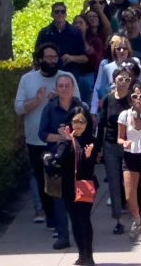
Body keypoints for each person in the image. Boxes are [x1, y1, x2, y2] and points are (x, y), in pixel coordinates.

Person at [14, 43, 80, 233]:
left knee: (63, 179)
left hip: (62, 141)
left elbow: (79, 104)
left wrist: (61, 96)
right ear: (40, 59)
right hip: (36, 139)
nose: (51, 61)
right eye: (48, 57)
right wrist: (36, 100)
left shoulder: (66, 79)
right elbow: (18, 108)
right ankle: (50, 217)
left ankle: (62, 219)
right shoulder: (27, 79)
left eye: (54, 57)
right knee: (41, 180)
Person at [39, 72, 86, 250]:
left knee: (80, 199)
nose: (64, 89)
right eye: (61, 86)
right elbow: (42, 134)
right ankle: (63, 235)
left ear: (73, 88)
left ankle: (81, 235)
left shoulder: (81, 107)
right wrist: (60, 138)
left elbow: (89, 130)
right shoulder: (49, 109)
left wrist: (73, 137)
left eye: (68, 85)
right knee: (58, 199)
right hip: (57, 160)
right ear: (56, 89)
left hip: (77, 160)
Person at [54, 106, 97, 266]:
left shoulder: (91, 140)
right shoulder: (66, 140)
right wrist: (67, 141)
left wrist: (86, 157)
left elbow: (89, 168)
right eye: (75, 121)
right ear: (70, 123)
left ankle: (89, 256)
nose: (78, 125)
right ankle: (81, 255)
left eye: (82, 121)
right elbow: (59, 160)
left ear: (87, 124)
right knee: (74, 221)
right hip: (68, 187)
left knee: (84, 219)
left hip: (85, 185)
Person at [118, 82, 141, 244]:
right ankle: (137, 219)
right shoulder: (125, 115)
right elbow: (120, 137)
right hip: (130, 156)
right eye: (135, 96)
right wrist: (123, 142)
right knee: (129, 194)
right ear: (130, 99)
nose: (138, 99)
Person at [96, 67, 133, 235]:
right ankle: (118, 220)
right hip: (111, 145)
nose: (124, 83)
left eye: (127, 79)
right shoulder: (107, 99)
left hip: (130, 146)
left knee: (131, 183)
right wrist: (97, 149)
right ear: (114, 81)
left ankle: (136, 216)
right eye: (120, 79)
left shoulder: (134, 99)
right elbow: (101, 124)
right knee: (114, 183)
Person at [35, 2, 88, 96]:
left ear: (66, 14)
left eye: (62, 12)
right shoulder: (44, 33)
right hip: (49, 75)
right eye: (56, 12)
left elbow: (85, 58)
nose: (59, 14)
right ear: (52, 14)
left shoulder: (75, 33)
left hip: (70, 74)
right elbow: (37, 57)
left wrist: (72, 58)